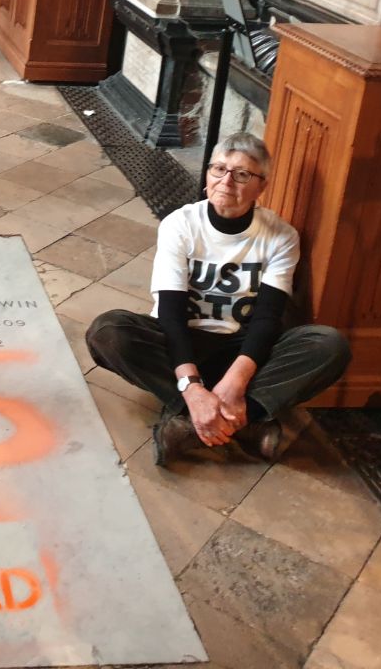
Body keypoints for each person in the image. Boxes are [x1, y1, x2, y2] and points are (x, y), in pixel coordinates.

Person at [85, 132, 350, 466]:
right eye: (218, 169)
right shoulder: (179, 225)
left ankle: (193, 424)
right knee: (107, 332)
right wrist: (193, 387)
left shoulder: (281, 237)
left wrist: (236, 381)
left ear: (261, 186)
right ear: (207, 176)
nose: (226, 181)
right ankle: (234, 419)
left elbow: (268, 317)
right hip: (180, 345)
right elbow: (170, 314)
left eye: (241, 174)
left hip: (243, 350)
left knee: (329, 345)